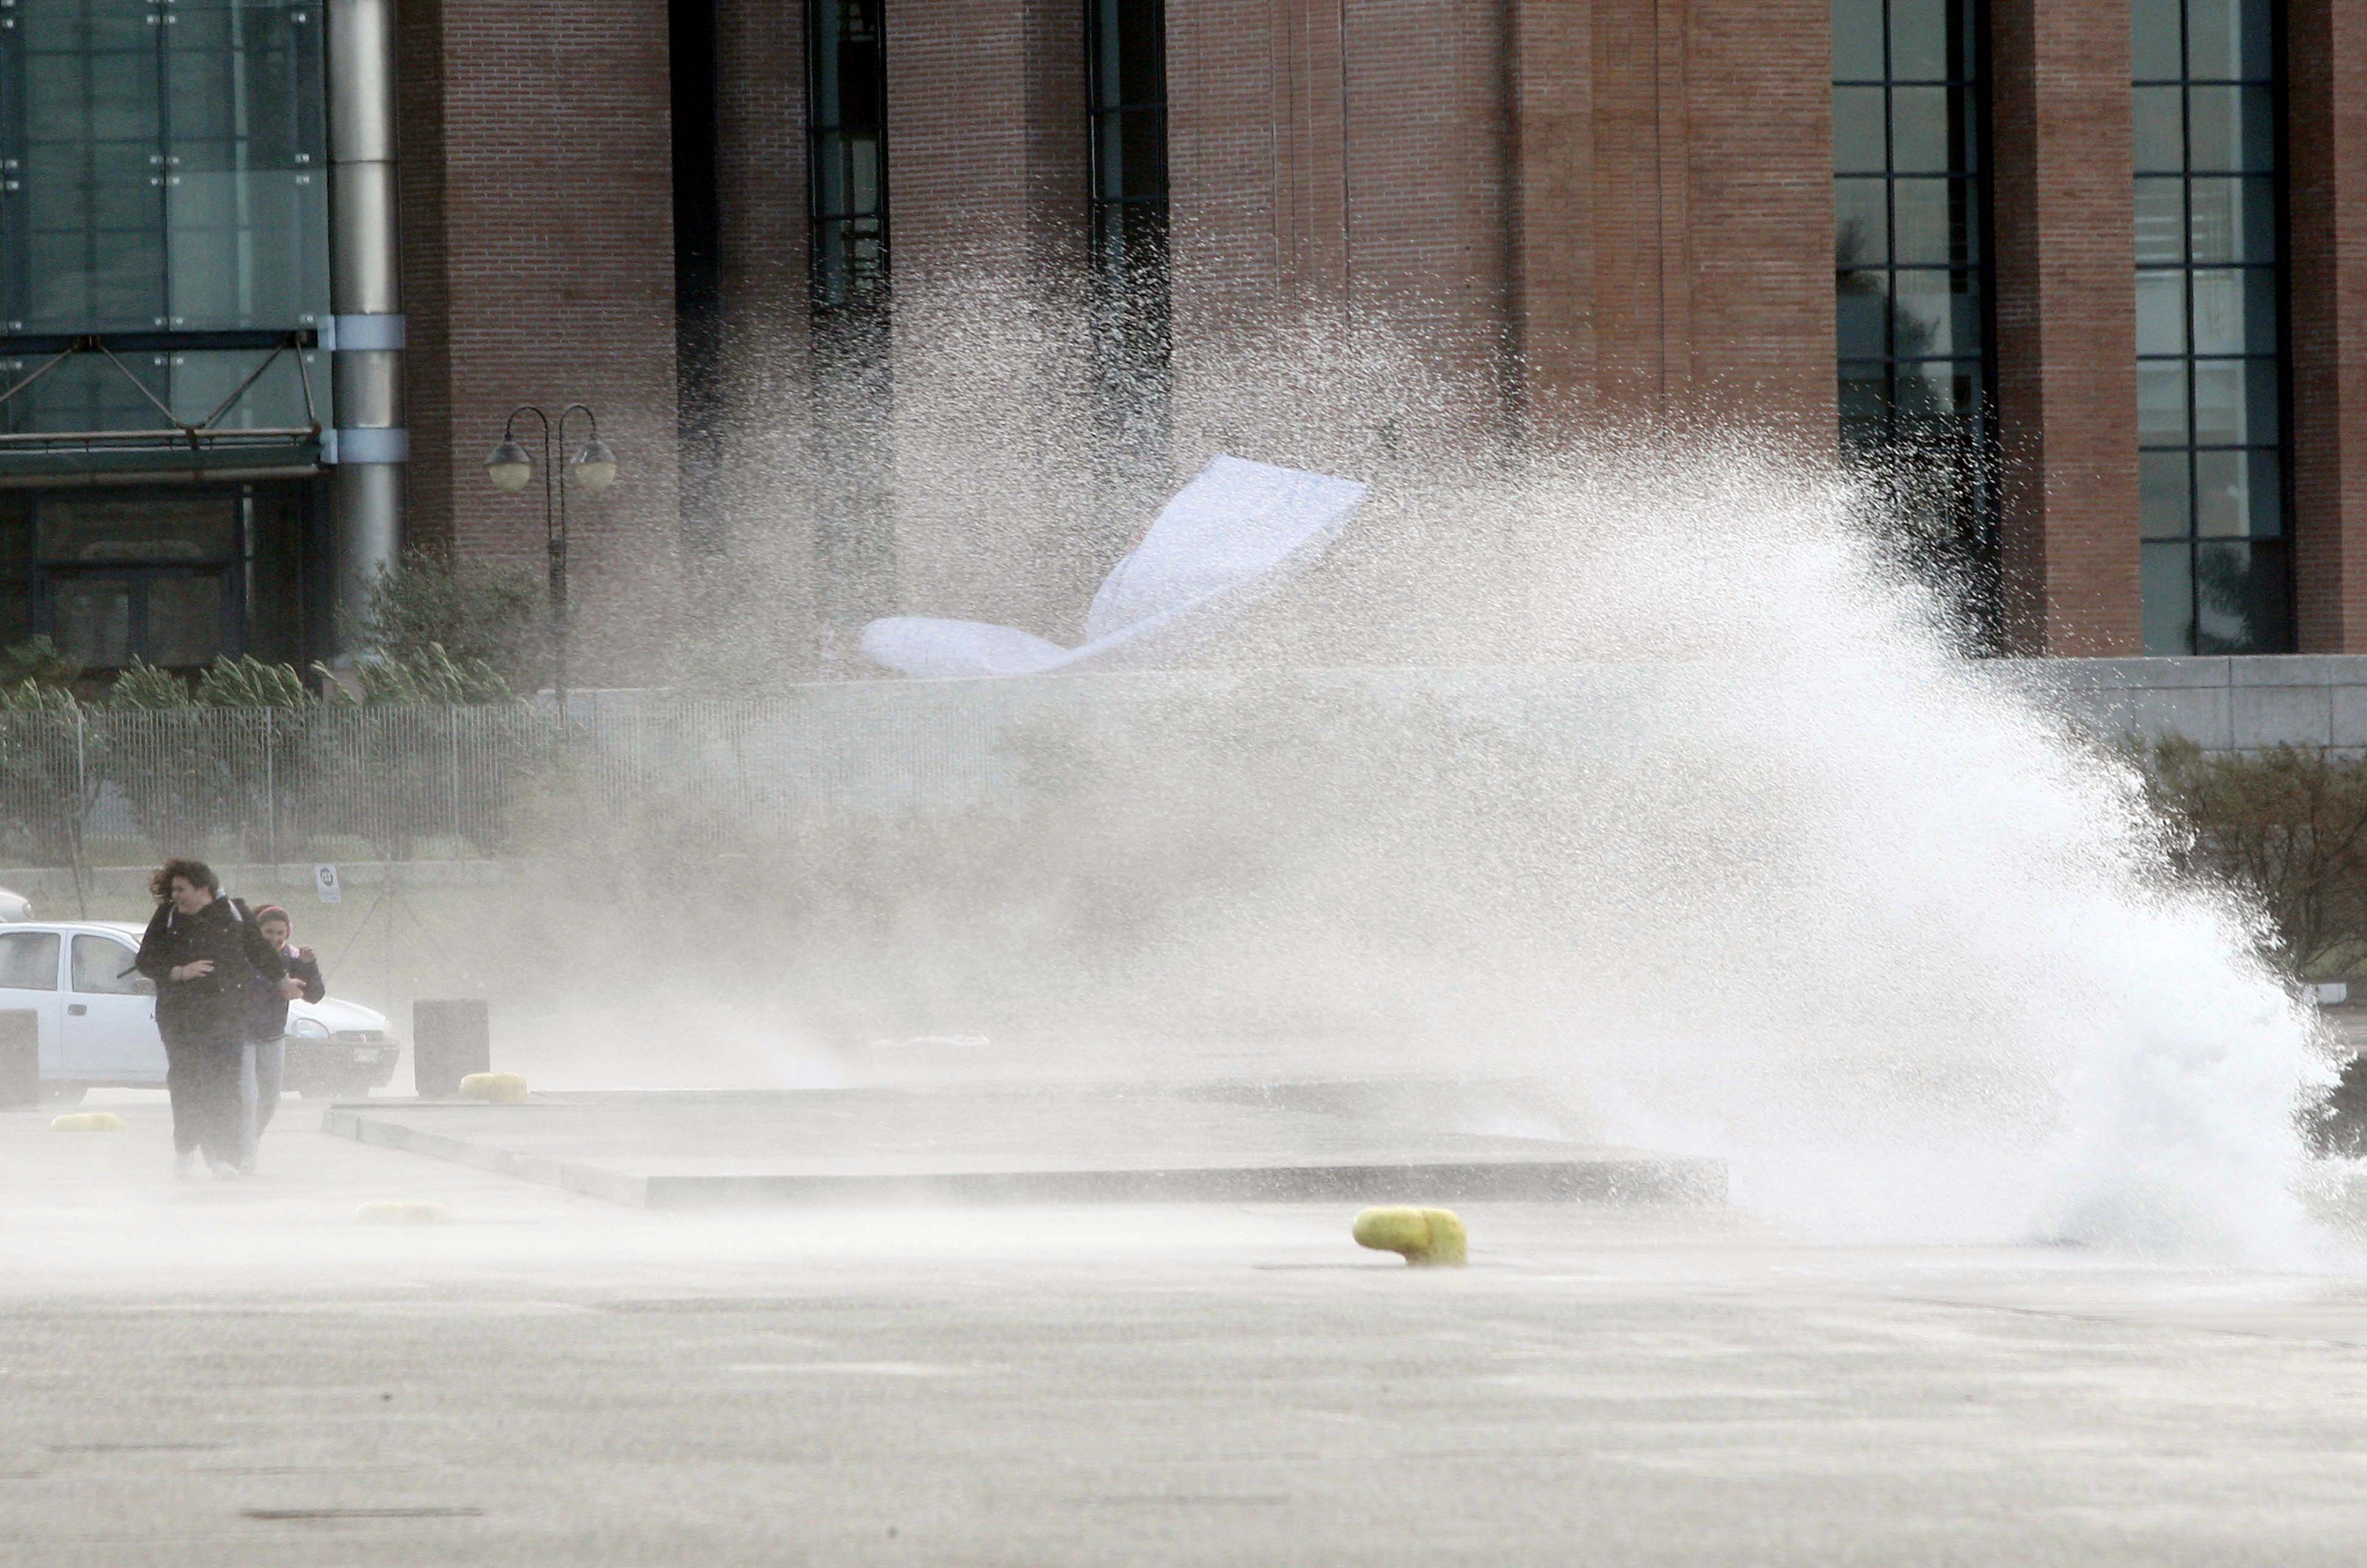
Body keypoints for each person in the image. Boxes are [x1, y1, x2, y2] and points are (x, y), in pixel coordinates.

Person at [134, 859, 297, 1180]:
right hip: (179, 1017)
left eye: (181, 889)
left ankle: (221, 1157)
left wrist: (283, 981)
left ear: (203, 889)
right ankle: (185, 1149)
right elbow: (145, 960)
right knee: (187, 1083)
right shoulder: (167, 916)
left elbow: (259, 951)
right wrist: (179, 972)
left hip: (226, 1015)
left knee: (224, 1087)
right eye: (173, 890)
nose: (175, 896)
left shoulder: (233, 914)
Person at [244, 906, 324, 1169]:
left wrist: (310, 966)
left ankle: (252, 1140)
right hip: (242, 1036)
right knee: (246, 1097)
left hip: (272, 1036)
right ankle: (241, 1147)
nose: (275, 938)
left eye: (281, 933)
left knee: (269, 1099)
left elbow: (314, 995)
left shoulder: (291, 959)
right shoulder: (244, 956)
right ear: (258, 931)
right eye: (269, 932)